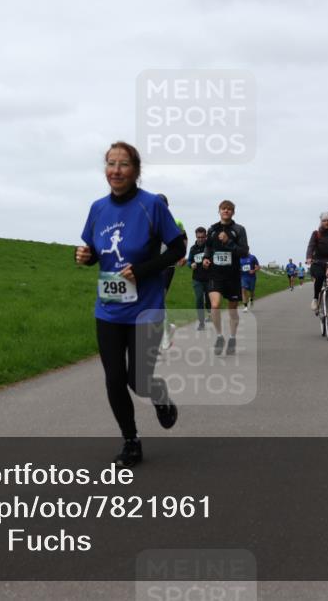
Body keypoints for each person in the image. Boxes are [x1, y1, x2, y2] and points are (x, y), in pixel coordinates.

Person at [76, 142, 182, 467]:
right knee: (113, 378)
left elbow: (177, 248)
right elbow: (96, 252)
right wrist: (84, 256)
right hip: (108, 308)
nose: (116, 170)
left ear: (135, 170)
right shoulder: (97, 208)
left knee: (138, 381)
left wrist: (143, 270)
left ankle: (159, 395)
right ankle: (131, 441)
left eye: (123, 164)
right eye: (111, 163)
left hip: (145, 309)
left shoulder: (151, 205)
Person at [202, 201, 249, 355]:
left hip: (232, 275)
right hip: (215, 274)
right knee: (215, 305)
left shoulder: (239, 230)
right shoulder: (212, 229)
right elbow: (208, 247)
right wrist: (206, 258)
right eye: (224, 209)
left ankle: (233, 338)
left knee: (232, 310)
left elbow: (244, 252)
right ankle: (219, 336)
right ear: (219, 211)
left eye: (229, 209)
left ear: (233, 212)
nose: (226, 211)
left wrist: (228, 242)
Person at [155, 194, 187, 351]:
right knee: (154, 301)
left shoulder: (175, 222)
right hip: (151, 266)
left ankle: (165, 337)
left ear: (167, 206)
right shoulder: (148, 221)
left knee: (159, 299)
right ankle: (168, 328)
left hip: (167, 265)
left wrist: (181, 256)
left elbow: (183, 239)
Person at [306, 212, 328, 312]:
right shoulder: (316, 234)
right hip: (318, 262)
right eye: (324, 220)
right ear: (321, 221)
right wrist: (309, 257)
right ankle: (315, 298)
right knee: (319, 276)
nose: (326, 222)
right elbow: (311, 246)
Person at [187, 226, 212, 330]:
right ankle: (201, 323)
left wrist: (210, 262)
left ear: (206, 236)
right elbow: (189, 261)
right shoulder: (193, 249)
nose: (200, 239)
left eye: (202, 237)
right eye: (198, 237)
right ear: (196, 237)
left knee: (209, 299)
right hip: (197, 279)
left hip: (209, 278)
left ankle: (210, 314)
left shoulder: (210, 247)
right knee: (199, 299)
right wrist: (191, 264)